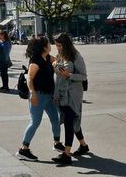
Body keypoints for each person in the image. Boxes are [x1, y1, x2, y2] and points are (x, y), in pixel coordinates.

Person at [17, 36, 62, 161]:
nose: (50, 45)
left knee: (55, 119)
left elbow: (55, 61)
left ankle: (57, 143)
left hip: (48, 95)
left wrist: (57, 62)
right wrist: (32, 93)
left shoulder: (47, 57)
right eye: (48, 43)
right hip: (38, 95)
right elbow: (30, 78)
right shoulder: (35, 60)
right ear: (44, 47)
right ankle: (23, 149)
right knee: (35, 122)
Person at [51, 33, 90, 165]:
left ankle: (67, 154)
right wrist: (56, 64)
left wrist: (70, 75)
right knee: (73, 121)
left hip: (73, 95)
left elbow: (83, 76)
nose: (58, 48)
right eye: (56, 46)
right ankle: (83, 145)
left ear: (66, 45)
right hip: (62, 95)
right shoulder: (60, 56)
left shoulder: (76, 57)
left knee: (69, 121)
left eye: (60, 46)